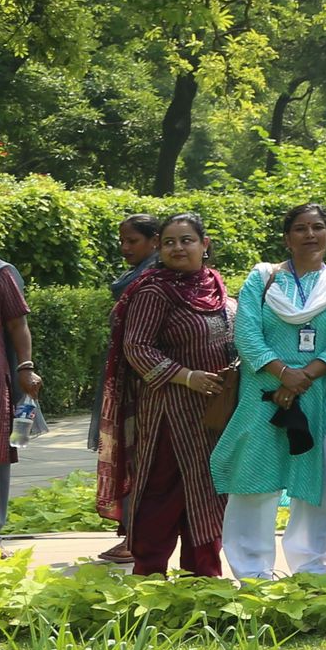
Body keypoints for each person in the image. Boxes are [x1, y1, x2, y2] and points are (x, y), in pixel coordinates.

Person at [210, 202, 326, 580]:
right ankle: (252, 572)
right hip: (263, 393)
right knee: (254, 479)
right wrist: (283, 374)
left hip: (319, 395)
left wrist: (304, 377)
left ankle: (312, 568)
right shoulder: (263, 279)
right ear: (287, 238)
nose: (310, 234)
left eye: (317, 227)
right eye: (301, 228)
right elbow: (247, 335)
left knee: (317, 482)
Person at [114, 213, 233, 576]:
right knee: (161, 494)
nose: (178, 248)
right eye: (169, 242)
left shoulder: (215, 285)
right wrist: (187, 377)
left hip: (213, 413)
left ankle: (203, 576)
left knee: (208, 492)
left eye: (186, 240)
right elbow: (136, 348)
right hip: (170, 412)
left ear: (204, 244)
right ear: (159, 248)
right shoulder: (154, 290)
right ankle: (149, 575)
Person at [90, 211, 160, 563]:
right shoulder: (134, 280)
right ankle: (135, 536)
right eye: (122, 240)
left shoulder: (152, 280)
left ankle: (139, 539)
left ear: (154, 242)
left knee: (139, 459)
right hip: (129, 379)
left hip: (146, 383)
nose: (124, 247)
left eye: (132, 241)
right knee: (131, 457)